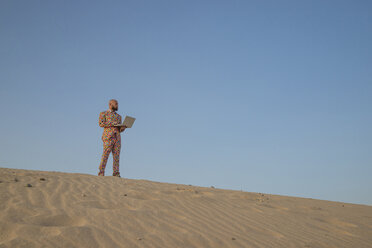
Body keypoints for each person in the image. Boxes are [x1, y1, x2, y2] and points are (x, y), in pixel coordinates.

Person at [98, 99, 126, 177]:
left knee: (116, 156)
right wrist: (112, 123)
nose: (117, 105)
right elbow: (101, 123)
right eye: (116, 103)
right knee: (105, 154)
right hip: (108, 137)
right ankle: (101, 172)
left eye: (117, 104)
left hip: (117, 137)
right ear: (110, 104)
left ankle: (116, 173)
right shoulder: (103, 113)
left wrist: (122, 128)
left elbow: (119, 129)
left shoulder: (119, 116)